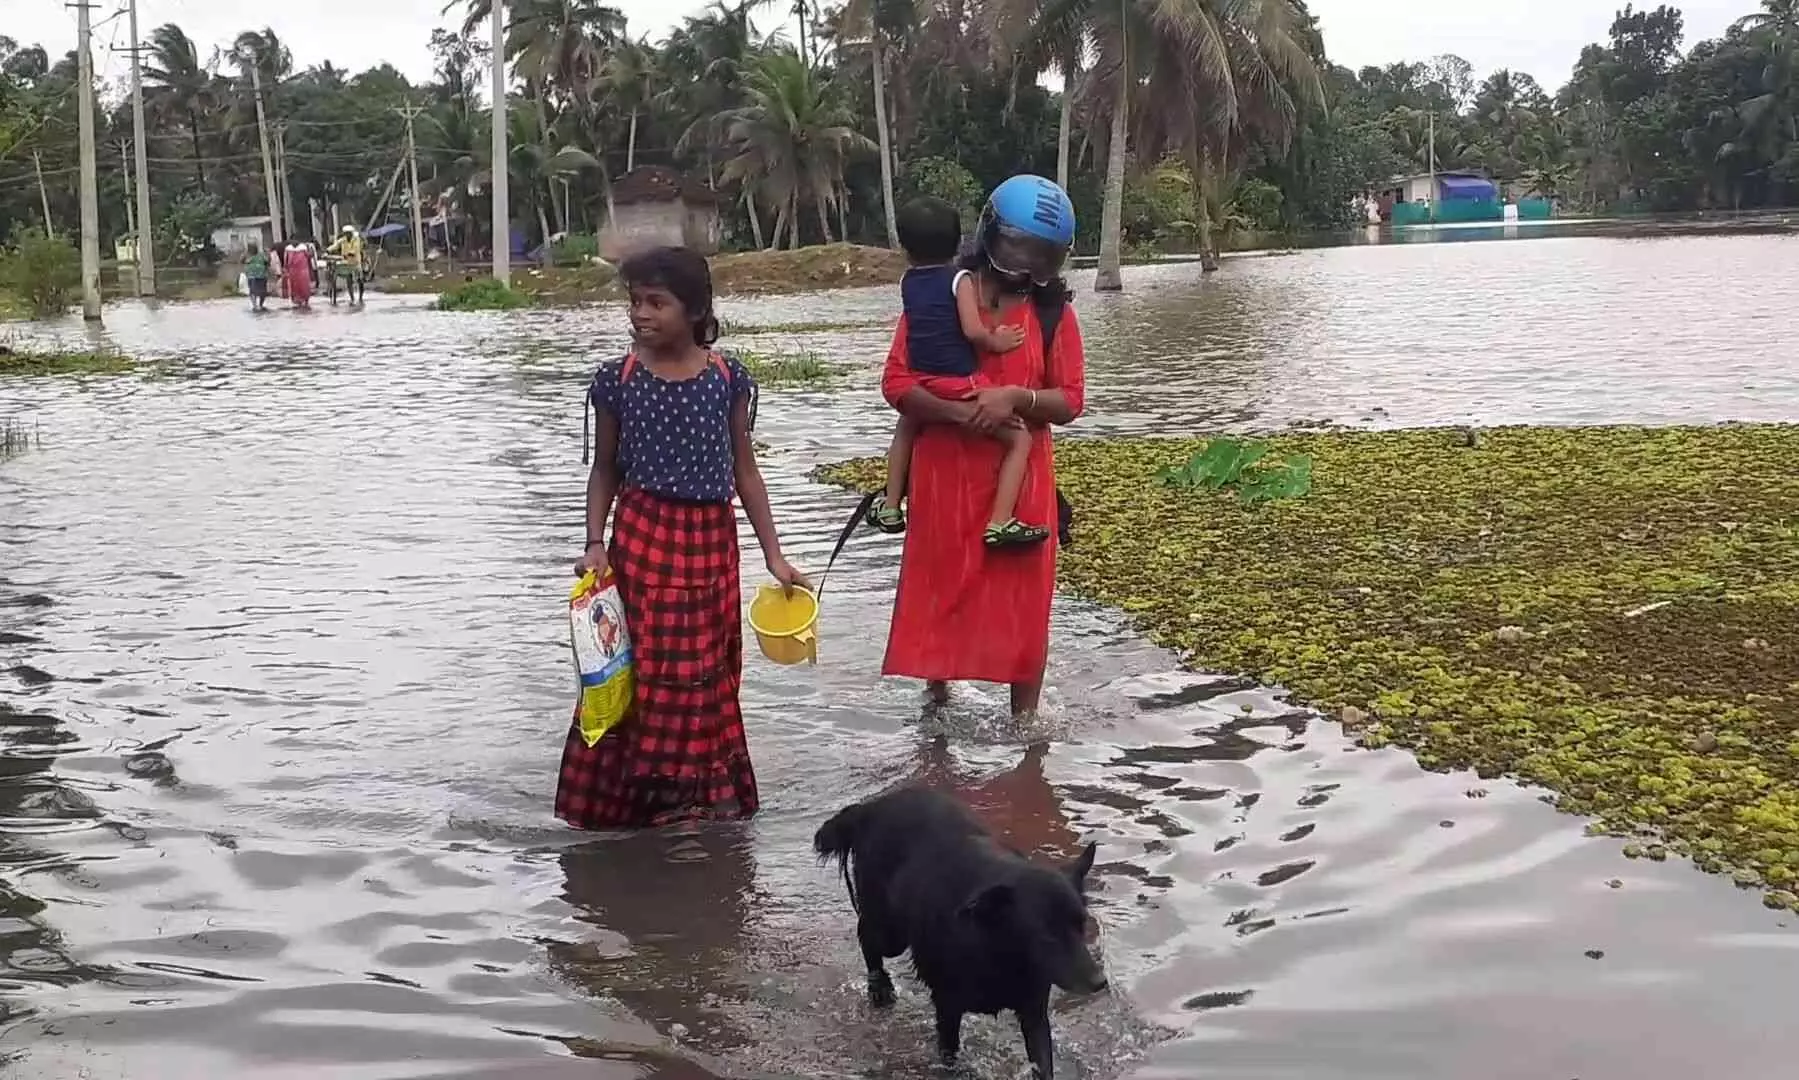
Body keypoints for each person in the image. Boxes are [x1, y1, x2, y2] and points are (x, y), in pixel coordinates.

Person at [559, 245, 811, 829]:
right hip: (644, 538)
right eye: (634, 302)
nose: (640, 314)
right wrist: (596, 542)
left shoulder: (726, 378)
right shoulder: (618, 380)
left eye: (656, 303)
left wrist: (775, 557)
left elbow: (745, 471)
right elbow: (606, 470)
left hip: (712, 542)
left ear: (695, 311)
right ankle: (643, 798)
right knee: (644, 669)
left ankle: (698, 798)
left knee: (707, 672)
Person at [878, 175, 1085, 717]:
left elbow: (1070, 401)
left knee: (1024, 609)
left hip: (1021, 494)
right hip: (944, 484)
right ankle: (936, 710)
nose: (1028, 268)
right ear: (990, 234)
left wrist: (1015, 397)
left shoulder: (1052, 314)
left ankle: (1026, 732)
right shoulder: (941, 296)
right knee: (940, 602)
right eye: (1019, 249)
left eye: (1043, 257)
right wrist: (962, 412)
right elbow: (897, 383)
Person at [866, 198, 1045, 548]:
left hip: (921, 379)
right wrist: (998, 340)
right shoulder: (960, 279)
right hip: (959, 380)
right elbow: (972, 331)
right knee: (1019, 438)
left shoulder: (908, 281)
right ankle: (1001, 521)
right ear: (959, 242)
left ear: (905, 247)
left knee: (906, 424)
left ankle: (890, 505)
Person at [326, 225, 365, 304]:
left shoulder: (356, 240)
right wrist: (327, 250)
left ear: (351, 233)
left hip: (355, 262)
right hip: (346, 262)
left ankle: (360, 297)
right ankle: (352, 298)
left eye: (348, 233)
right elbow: (335, 245)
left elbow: (355, 249)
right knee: (348, 280)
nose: (347, 235)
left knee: (360, 280)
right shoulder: (343, 240)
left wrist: (348, 254)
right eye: (346, 233)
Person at [283, 238, 313, 308]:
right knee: (297, 285)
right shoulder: (289, 249)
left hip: (299, 270)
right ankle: (300, 300)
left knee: (301, 285)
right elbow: (286, 259)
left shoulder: (302, 248)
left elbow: (309, 256)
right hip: (296, 270)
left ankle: (303, 300)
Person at [244, 242, 271, 312]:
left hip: (258, 276)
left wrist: (268, 254)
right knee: (257, 292)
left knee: (257, 292)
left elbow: (268, 262)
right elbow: (242, 261)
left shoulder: (259, 255)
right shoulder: (249, 255)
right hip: (256, 276)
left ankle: (258, 305)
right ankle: (257, 305)